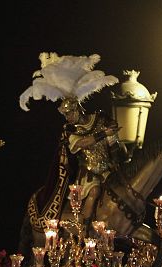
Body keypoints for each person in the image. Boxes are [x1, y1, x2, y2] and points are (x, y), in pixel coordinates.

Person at [19, 52, 122, 227]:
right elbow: (82, 143)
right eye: (65, 114)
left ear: (77, 109)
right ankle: (84, 226)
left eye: (69, 113)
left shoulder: (99, 119)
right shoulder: (69, 131)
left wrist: (117, 148)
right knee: (95, 190)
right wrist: (103, 134)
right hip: (88, 176)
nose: (67, 117)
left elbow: (113, 144)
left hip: (108, 170)